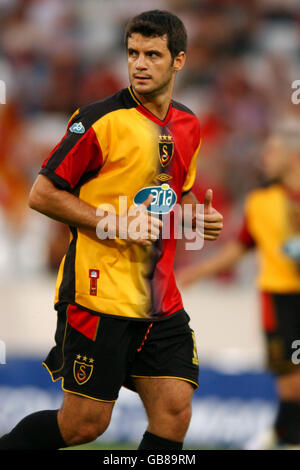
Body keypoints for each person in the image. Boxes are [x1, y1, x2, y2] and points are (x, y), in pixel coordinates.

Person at [0, 10, 223, 450]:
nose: (139, 64)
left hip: (160, 300)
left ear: (178, 60)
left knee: (175, 411)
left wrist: (194, 217)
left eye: (152, 55)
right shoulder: (99, 120)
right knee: (84, 426)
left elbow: (176, 195)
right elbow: (42, 194)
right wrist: (113, 221)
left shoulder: (189, 125)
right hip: (98, 295)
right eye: (133, 53)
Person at [177, 129, 300, 447]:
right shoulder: (260, 203)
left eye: (271, 151)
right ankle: (285, 435)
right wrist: (200, 271)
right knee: (290, 381)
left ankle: (279, 434)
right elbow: (240, 247)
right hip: (279, 298)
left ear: (292, 157)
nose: (264, 158)